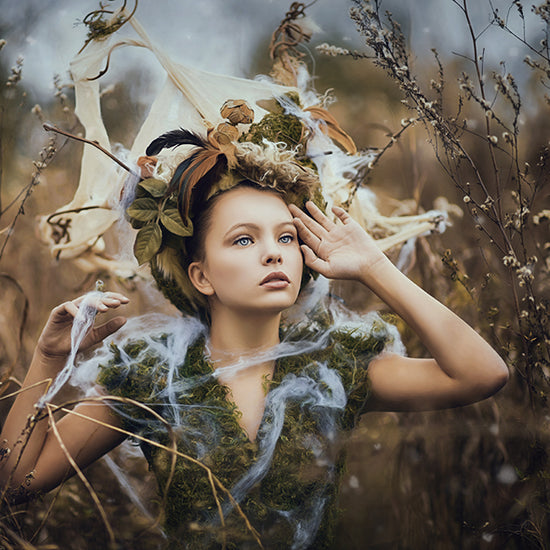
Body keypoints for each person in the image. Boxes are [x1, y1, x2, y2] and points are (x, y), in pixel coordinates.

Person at [0, 107, 508, 548]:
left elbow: (482, 375)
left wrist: (374, 267)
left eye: (286, 237)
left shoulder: (333, 365)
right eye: (243, 240)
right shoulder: (154, 376)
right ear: (201, 275)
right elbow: (16, 484)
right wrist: (50, 360)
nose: (273, 251)